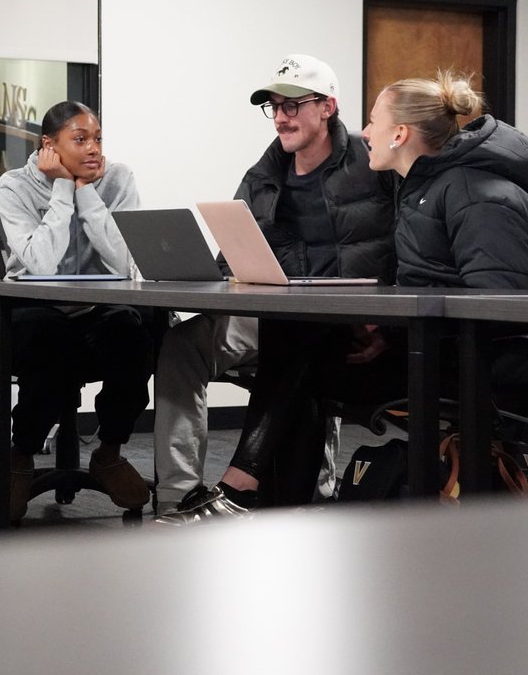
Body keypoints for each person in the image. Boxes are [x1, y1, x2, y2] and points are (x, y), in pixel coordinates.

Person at [158, 71, 528, 522]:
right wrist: (384, 329)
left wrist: (390, 327)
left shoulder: (475, 194)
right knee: (301, 344)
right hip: (427, 347)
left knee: (300, 342)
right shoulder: (423, 191)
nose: (365, 132)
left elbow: (499, 308)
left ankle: (239, 490)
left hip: (470, 363)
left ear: (400, 133)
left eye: (373, 121)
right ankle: (273, 507)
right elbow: (421, 282)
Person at [152, 54, 395, 514]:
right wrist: (215, 274)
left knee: (298, 324)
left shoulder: (374, 165)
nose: (281, 118)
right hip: (271, 314)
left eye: (292, 106)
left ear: (327, 106)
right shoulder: (263, 175)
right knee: (182, 343)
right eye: (274, 108)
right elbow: (232, 255)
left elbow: (405, 247)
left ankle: (249, 484)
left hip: (343, 318)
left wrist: (384, 321)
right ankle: (177, 496)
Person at [0, 100, 153, 521]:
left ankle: (109, 452)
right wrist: (62, 189)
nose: (93, 149)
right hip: (35, 308)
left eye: (97, 138)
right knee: (49, 339)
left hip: (99, 308)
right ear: (49, 146)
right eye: (79, 139)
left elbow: (124, 265)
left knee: (135, 331)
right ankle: (21, 456)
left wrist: (86, 192)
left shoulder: (117, 179)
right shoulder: (13, 186)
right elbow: (41, 267)